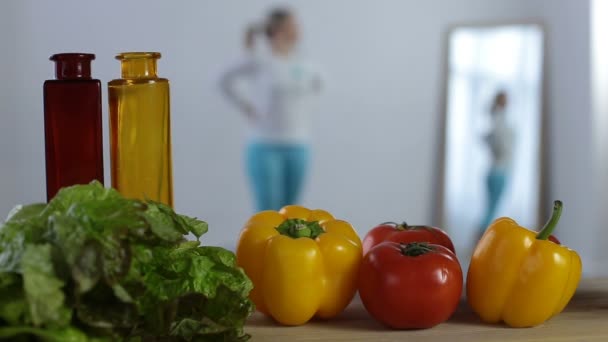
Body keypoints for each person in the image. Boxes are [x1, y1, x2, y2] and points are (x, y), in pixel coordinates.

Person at [217, 7, 323, 212]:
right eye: (293, 25)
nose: (298, 29)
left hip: (298, 143)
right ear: (279, 29)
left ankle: (289, 245)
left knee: (292, 210)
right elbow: (223, 79)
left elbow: (319, 86)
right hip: (265, 145)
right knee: (268, 209)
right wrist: (246, 106)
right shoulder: (259, 59)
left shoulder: (304, 62)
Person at [479, 90, 515, 235]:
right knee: (491, 210)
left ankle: (480, 241)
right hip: (499, 171)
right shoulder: (499, 120)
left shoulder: (496, 118)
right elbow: (500, 144)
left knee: (490, 209)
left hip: (497, 170)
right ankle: (481, 241)